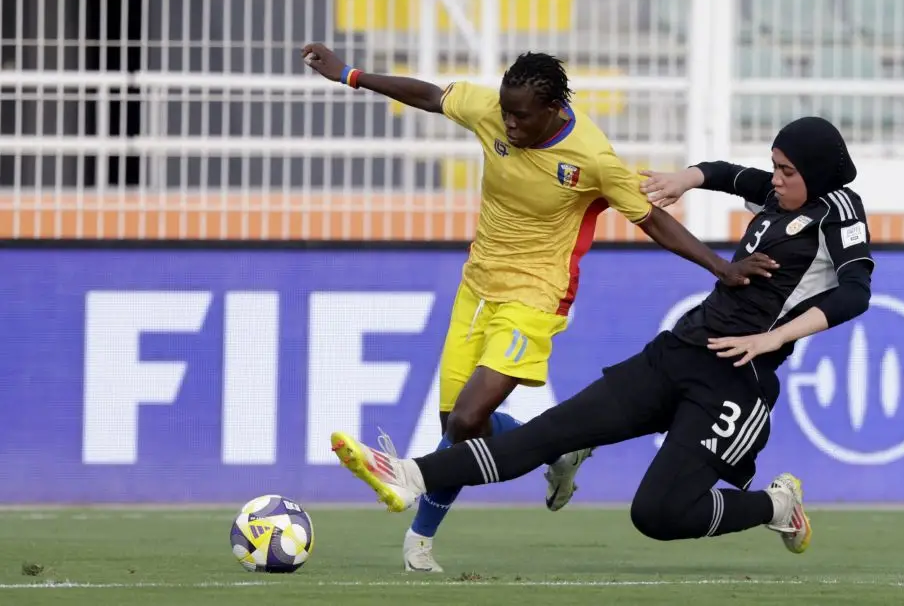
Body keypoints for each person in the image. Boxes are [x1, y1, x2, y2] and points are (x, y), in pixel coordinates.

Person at [303, 44, 778, 571]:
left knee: (466, 417)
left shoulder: (593, 157)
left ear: (552, 109)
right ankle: (554, 450)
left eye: (521, 115)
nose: (508, 122)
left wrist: (721, 267)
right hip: (476, 287)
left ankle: (419, 537)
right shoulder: (492, 111)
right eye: (505, 110)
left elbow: (651, 221)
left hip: (536, 297)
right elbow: (433, 96)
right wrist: (350, 75)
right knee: (457, 424)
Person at [329, 116, 874, 557]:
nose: (774, 178)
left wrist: (770, 341)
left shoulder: (839, 210)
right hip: (681, 350)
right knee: (549, 433)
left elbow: (854, 294)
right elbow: (734, 175)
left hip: (737, 380)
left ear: (818, 173)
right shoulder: (783, 196)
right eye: (775, 167)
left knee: (657, 515)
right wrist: (687, 177)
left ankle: (776, 506)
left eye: (785, 171)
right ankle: (406, 475)